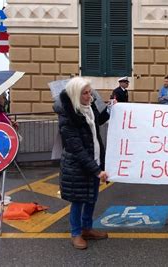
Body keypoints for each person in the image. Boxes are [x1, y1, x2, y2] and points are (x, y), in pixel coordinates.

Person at [54, 77, 110, 249]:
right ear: (75, 95)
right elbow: (77, 149)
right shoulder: (67, 116)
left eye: (90, 92)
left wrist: (110, 109)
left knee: (91, 197)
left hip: (93, 161)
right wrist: (96, 170)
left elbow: (99, 120)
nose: (89, 96)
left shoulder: (88, 108)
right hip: (77, 166)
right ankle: (76, 233)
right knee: (78, 200)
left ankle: (87, 228)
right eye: (85, 93)